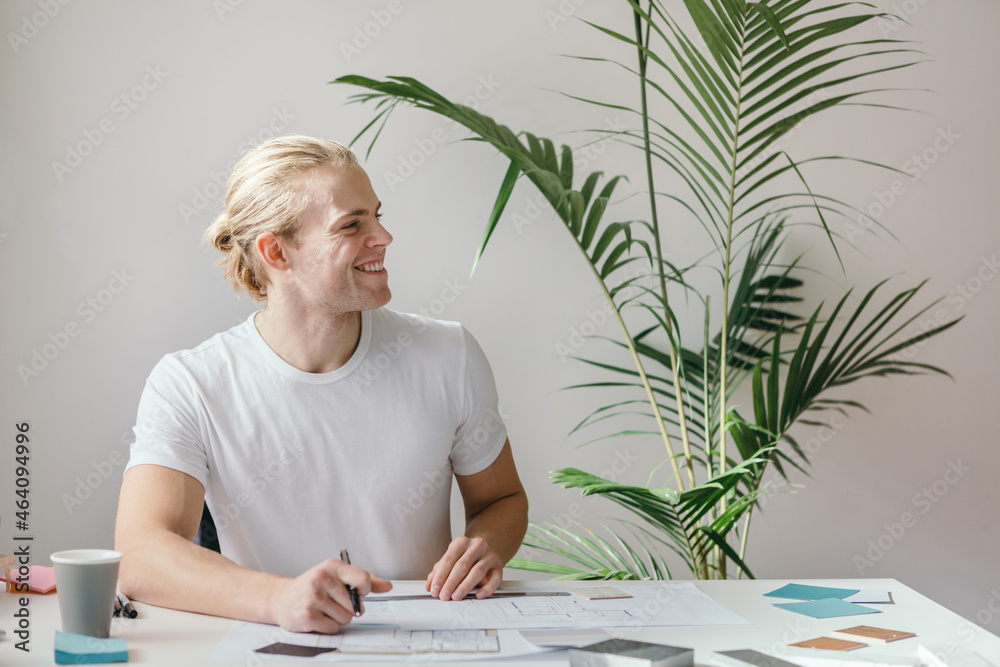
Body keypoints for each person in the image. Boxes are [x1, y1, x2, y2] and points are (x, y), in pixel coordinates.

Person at [114, 135, 528, 634]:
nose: (383, 237)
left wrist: (488, 546)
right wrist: (280, 599)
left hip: (423, 641)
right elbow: (140, 553)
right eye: (352, 225)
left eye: (377, 214)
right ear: (276, 252)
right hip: (272, 644)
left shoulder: (450, 355)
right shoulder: (191, 383)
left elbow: (500, 501)